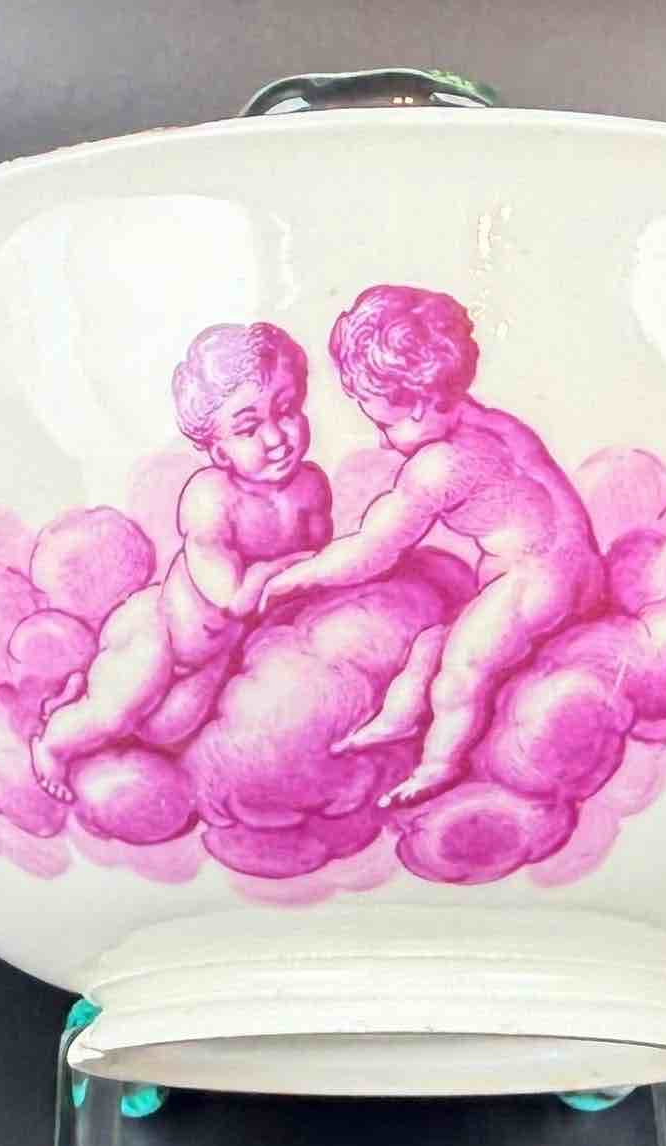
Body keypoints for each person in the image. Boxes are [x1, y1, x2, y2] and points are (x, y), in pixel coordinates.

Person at [260, 284, 604, 806]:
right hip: (579, 569)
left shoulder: (439, 465)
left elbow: (373, 548)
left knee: (461, 672)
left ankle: (439, 766)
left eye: (387, 424)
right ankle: (396, 720)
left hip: (535, 582)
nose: (382, 439)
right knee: (432, 646)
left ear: (421, 404)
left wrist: (295, 577)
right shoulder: (497, 424)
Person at [32, 322, 330, 801]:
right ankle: (52, 744)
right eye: (248, 428)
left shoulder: (311, 487)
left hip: (214, 653)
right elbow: (233, 597)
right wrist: (286, 569)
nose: (277, 437)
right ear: (218, 449)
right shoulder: (212, 498)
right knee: (116, 711)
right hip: (162, 632)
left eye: (287, 409)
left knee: (168, 732)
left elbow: (318, 572)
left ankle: (74, 694)